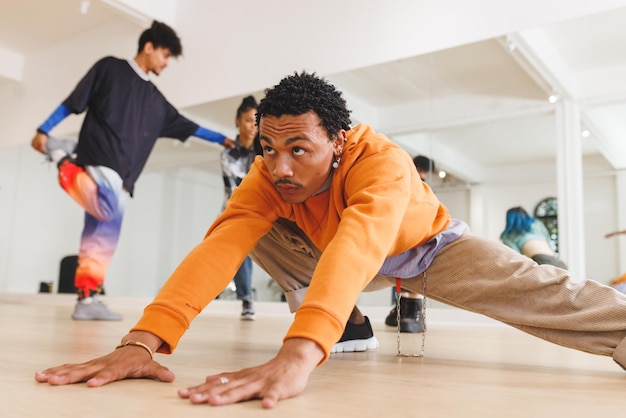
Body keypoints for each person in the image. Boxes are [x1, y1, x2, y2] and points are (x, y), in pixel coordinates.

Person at [35, 72, 626, 409]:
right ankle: (349, 323)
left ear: (338, 141)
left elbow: (361, 241)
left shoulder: (383, 164)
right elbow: (219, 247)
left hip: (429, 250)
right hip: (328, 256)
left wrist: (299, 352)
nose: (280, 165)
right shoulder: (268, 176)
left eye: (299, 149)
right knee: (241, 221)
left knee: (552, 293)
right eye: (269, 148)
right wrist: (144, 340)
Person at [30, 21, 235, 321]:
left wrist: (221, 138)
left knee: (100, 236)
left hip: (124, 175)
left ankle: (86, 300)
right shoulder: (110, 68)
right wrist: (44, 130)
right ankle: (62, 158)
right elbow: (73, 102)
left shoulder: (156, 102)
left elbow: (188, 125)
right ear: (148, 46)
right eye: (165, 55)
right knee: (108, 215)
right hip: (101, 158)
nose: (166, 63)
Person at [384, 155, 433, 333]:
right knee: (417, 267)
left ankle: (402, 309)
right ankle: (412, 312)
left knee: (401, 270)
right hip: (417, 232)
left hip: (399, 233)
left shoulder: (403, 180)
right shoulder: (423, 186)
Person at [220, 96, 259, 320]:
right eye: (247, 120)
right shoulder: (227, 153)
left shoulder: (263, 149)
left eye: (256, 122)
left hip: (262, 209)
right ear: (237, 121)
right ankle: (246, 299)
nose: (252, 127)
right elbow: (233, 189)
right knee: (238, 251)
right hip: (235, 209)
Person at [500, 206, 568, 269]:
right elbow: (548, 240)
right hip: (559, 262)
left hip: (542, 262)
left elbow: (516, 257)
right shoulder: (537, 224)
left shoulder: (508, 235)